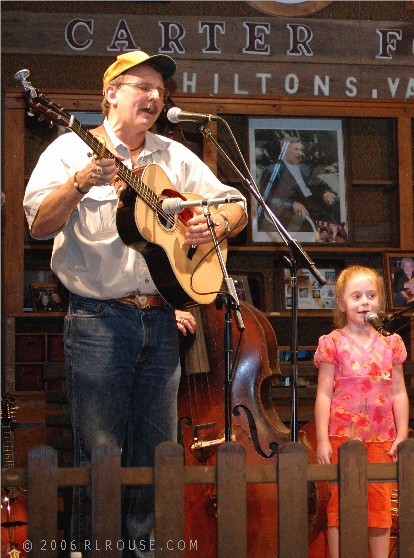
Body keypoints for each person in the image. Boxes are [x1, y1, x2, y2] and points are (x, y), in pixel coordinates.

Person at [22, 51, 246, 557]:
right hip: (98, 320)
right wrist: (81, 182)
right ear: (110, 94)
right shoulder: (67, 149)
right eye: (141, 85)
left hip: (163, 320)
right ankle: (93, 550)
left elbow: (235, 203)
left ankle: (146, 552)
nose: (153, 96)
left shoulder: (173, 156)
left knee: (156, 454)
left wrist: (212, 224)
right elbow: (38, 223)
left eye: (159, 90)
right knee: (100, 454)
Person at [313, 265, 409, 558]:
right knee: (340, 504)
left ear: (380, 300)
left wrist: (402, 432)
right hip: (342, 436)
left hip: (381, 437)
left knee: (380, 504)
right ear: (341, 304)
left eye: (370, 295)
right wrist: (322, 439)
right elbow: (324, 393)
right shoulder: (333, 343)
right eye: (356, 296)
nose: (364, 302)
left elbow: (399, 391)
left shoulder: (390, 344)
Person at [258, 136, 340, 233]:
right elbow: (267, 199)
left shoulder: (304, 168)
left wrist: (327, 192)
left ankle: (333, 242)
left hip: (314, 205)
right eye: (296, 149)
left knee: (336, 202)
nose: (300, 153)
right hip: (293, 212)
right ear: (284, 150)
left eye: (301, 150)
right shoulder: (273, 170)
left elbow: (319, 184)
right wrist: (291, 204)